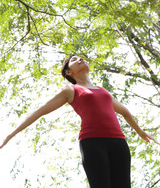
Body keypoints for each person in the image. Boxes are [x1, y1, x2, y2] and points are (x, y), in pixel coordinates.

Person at [0, 55, 152, 188]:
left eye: (81, 58)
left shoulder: (103, 91)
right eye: (74, 59)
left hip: (119, 143)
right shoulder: (70, 90)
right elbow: (39, 111)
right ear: (68, 72)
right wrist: (10, 135)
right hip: (93, 143)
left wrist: (139, 131)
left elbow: (125, 112)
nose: (80, 59)